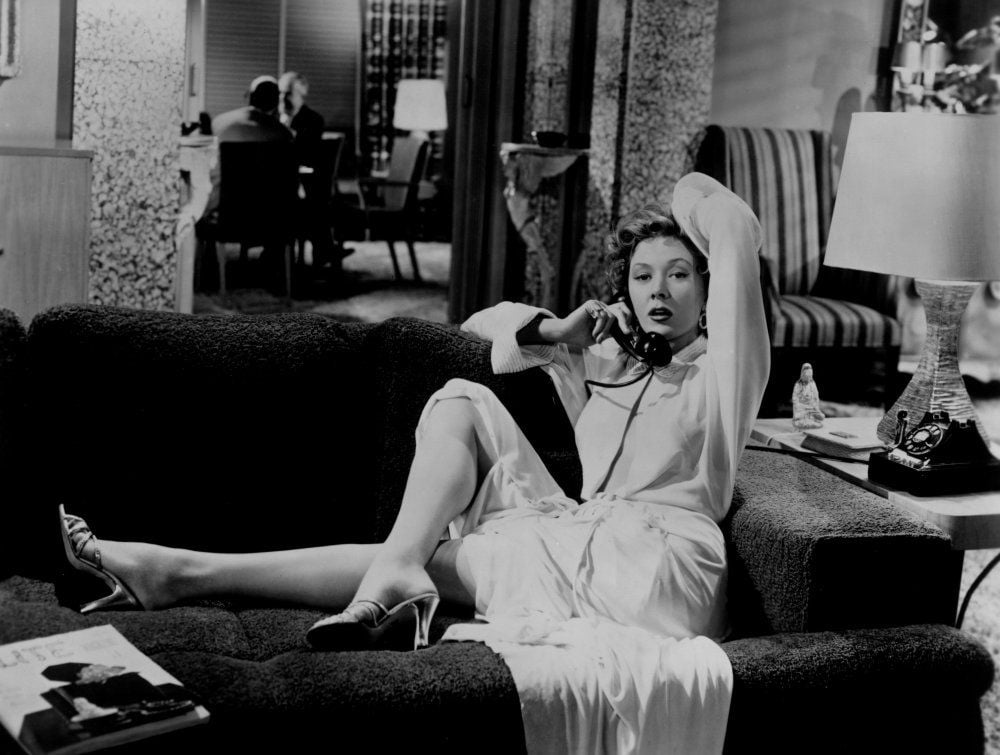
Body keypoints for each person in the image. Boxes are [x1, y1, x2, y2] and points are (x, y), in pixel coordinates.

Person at [61, 172, 769, 752]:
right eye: (643, 275)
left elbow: (730, 220)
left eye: (680, 274)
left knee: (437, 556)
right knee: (461, 397)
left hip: (660, 568)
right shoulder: (604, 357)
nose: (658, 290)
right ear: (624, 290)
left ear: (710, 290)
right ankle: (383, 567)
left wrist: (683, 203)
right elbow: (480, 325)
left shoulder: (726, 374)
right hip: (581, 530)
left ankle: (186, 571)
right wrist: (559, 330)